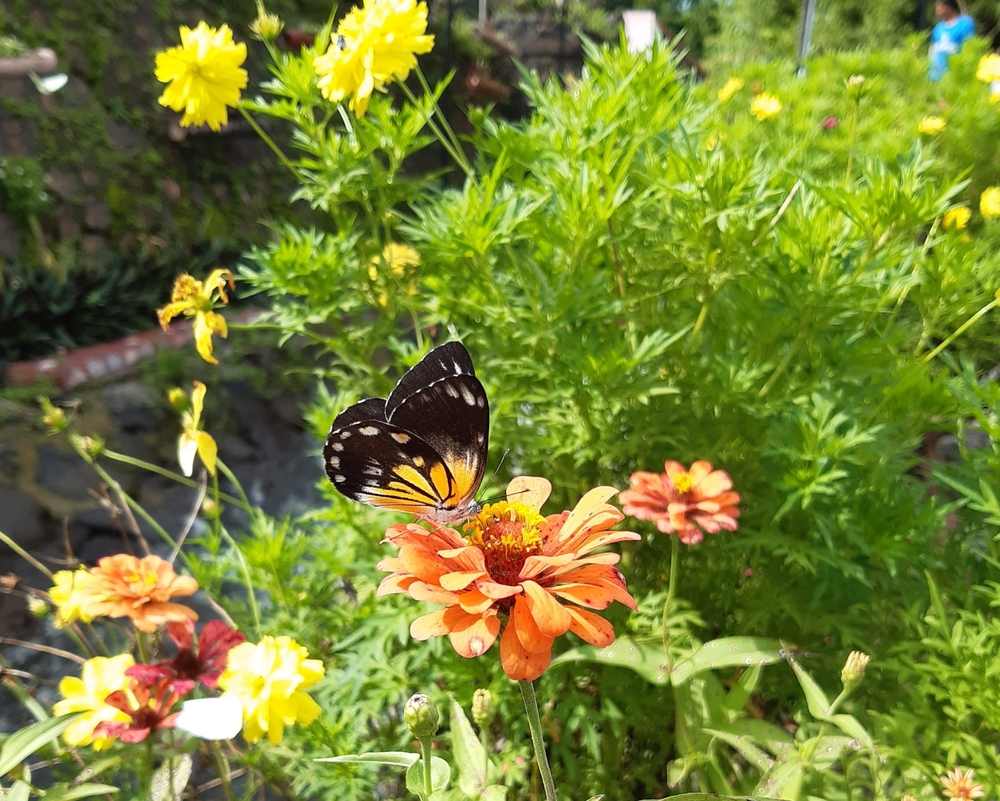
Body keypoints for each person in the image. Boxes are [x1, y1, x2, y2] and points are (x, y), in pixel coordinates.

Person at [929, 0, 975, 81]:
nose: (936, 9)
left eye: (937, 6)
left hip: (955, 75)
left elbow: (970, 48)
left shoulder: (965, 23)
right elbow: (933, 50)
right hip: (936, 75)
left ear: (946, 7)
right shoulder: (938, 28)